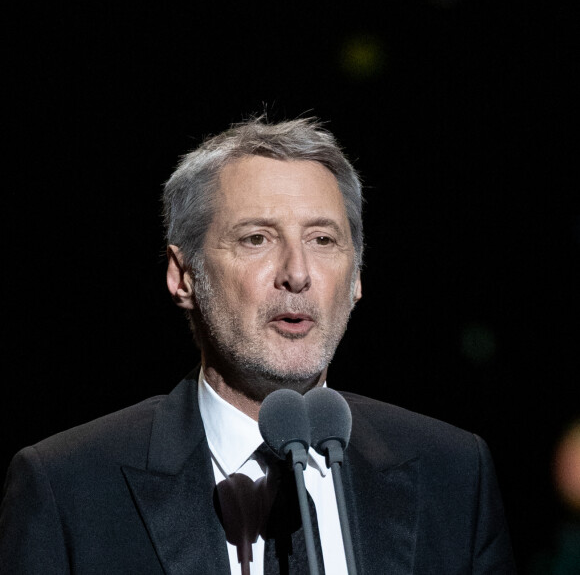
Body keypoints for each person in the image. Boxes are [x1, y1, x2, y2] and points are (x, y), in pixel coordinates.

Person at [0, 117, 516, 574]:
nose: (297, 273)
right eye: (257, 239)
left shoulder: (453, 474)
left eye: (323, 239)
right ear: (184, 277)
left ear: (357, 277)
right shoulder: (69, 487)